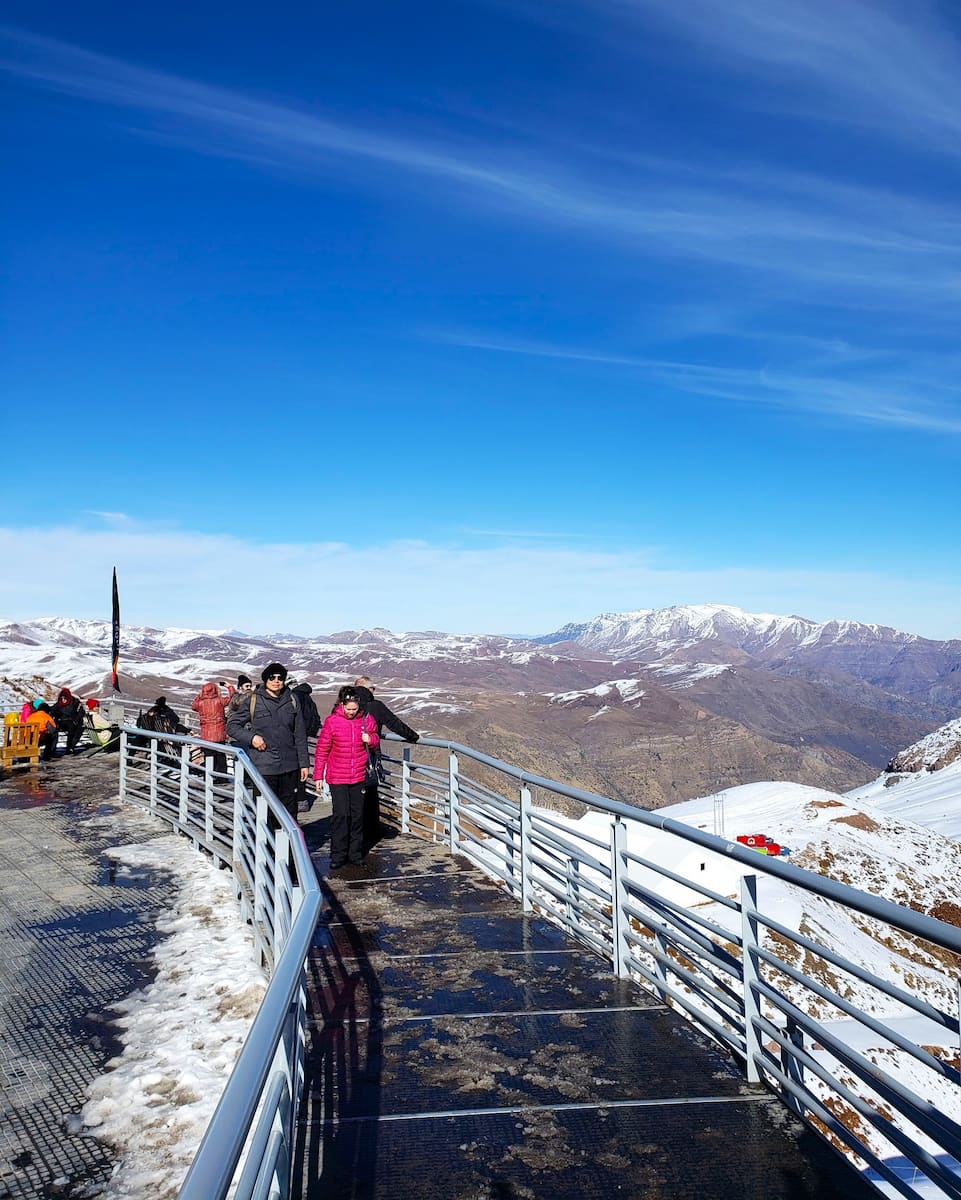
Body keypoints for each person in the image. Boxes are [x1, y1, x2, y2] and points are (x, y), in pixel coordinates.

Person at [226, 663, 309, 822]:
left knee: (289, 813)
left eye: (280, 678)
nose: (276, 681)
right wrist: (252, 738)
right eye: (272, 677)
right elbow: (232, 726)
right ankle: (266, 846)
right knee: (265, 812)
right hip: (265, 765)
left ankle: (289, 847)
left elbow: (299, 733)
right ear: (265, 679)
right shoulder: (253, 700)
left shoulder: (292, 699)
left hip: (289, 766)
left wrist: (304, 763)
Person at [314, 686, 379, 870]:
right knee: (341, 815)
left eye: (354, 709)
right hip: (337, 777)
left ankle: (355, 854)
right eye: (348, 709)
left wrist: (370, 740)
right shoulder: (332, 722)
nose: (351, 712)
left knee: (357, 816)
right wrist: (318, 775)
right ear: (342, 705)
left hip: (358, 775)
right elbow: (322, 749)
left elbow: (375, 739)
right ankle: (338, 855)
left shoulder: (366, 720)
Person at [352, 676, 420, 846]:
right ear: (371, 690)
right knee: (370, 793)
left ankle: (352, 833)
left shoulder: (345, 705)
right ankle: (371, 832)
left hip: (345, 758)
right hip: (368, 757)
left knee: (351, 795)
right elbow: (395, 724)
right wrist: (414, 737)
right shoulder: (375, 706)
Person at [289, 681, 322, 812]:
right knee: (302, 768)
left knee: (293, 770)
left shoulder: (294, 697)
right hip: (304, 737)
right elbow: (316, 717)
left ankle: (295, 800)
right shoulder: (309, 699)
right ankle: (302, 800)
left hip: (293, 737)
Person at [191, 680, 235, 774]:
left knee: (209, 756)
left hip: (206, 735)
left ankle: (209, 776)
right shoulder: (219, 701)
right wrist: (230, 687)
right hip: (219, 734)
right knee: (220, 756)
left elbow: (193, 706)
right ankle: (221, 777)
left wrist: (200, 695)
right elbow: (232, 698)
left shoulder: (200, 703)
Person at [52, 687, 86, 754]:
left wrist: (76, 720)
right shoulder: (59, 704)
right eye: (62, 698)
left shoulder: (75, 702)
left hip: (73, 721)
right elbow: (53, 710)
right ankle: (69, 747)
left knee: (77, 728)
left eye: (65, 698)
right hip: (62, 722)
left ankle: (70, 746)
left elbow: (81, 712)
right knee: (71, 727)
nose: (63, 700)